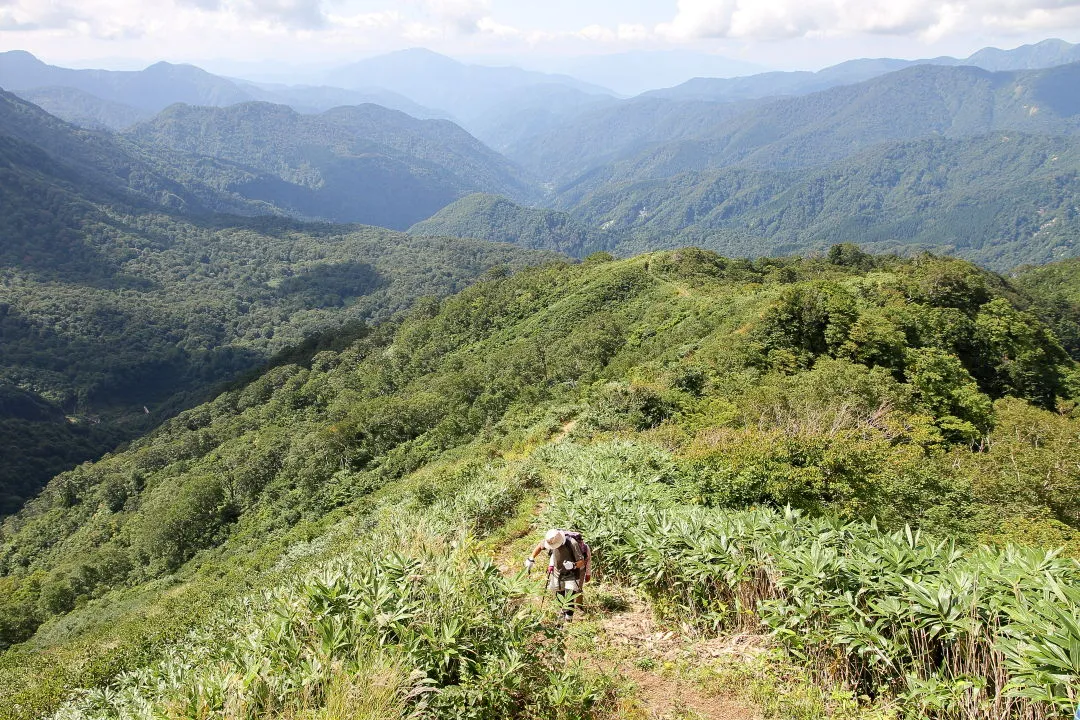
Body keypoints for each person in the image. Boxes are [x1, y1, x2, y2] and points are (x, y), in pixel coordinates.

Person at [525, 528, 591, 621]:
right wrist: (531, 558)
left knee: (569, 597)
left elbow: (581, 562)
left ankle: (569, 619)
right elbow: (540, 546)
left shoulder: (572, 543)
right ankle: (561, 618)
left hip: (572, 573)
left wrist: (573, 565)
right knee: (559, 594)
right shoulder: (551, 540)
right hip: (557, 572)